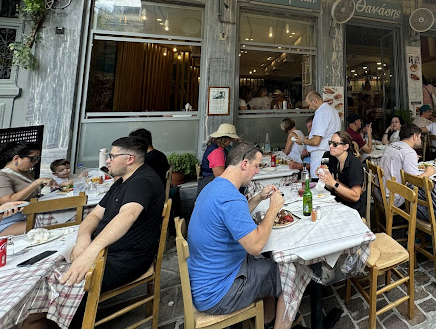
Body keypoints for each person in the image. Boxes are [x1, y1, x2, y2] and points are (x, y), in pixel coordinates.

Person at [187, 142, 285, 327]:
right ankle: (274, 323)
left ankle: (266, 318)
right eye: (256, 166)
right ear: (245, 164)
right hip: (217, 293)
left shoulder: (214, 186)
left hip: (204, 275)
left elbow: (229, 219)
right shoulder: (231, 198)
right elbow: (256, 245)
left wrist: (258, 198)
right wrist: (273, 208)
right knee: (285, 272)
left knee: (267, 260)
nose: (257, 171)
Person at [60, 136, 165, 291]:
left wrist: (91, 252)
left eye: (112, 156)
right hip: (106, 252)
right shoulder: (121, 182)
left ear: (129, 159)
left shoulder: (142, 182)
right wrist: (83, 239)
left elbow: (128, 215)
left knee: (56, 284)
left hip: (123, 261)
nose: (108, 161)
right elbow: (95, 215)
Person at [0, 142, 57, 236]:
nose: (35, 162)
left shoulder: (24, 173)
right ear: (16, 158)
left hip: (31, 213)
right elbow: (7, 201)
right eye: (33, 158)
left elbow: (29, 192)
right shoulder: (3, 175)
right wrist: (37, 182)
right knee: (54, 225)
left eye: (37, 159)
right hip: (11, 221)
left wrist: (44, 183)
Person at [379, 124, 434, 207]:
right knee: (429, 192)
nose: (420, 140)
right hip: (393, 198)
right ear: (415, 137)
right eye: (420, 137)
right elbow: (416, 182)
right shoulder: (409, 152)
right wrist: (428, 172)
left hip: (380, 193)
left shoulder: (391, 145)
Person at [317, 131, 366, 214]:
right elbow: (332, 187)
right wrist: (325, 178)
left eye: (335, 144)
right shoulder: (333, 158)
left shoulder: (354, 164)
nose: (330, 146)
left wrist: (333, 182)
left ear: (345, 146)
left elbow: (356, 196)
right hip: (338, 202)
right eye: (330, 143)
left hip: (352, 209)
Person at [299, 91, 340, 178]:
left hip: (320, 156)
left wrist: (302, 140)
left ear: (315, 101)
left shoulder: (320, 113)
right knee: (328, 183)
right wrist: (310, 137)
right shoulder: (333, 111)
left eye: (309, 104)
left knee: (319, 186)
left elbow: (316, 141)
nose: (309, 107)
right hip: (331, 153)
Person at [198, 124, 240, 195]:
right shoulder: (217, 151)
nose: (230, 142)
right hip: (209, 185)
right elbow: (220, 175)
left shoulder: (217, 147)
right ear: (225, 139)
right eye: (230, 140)